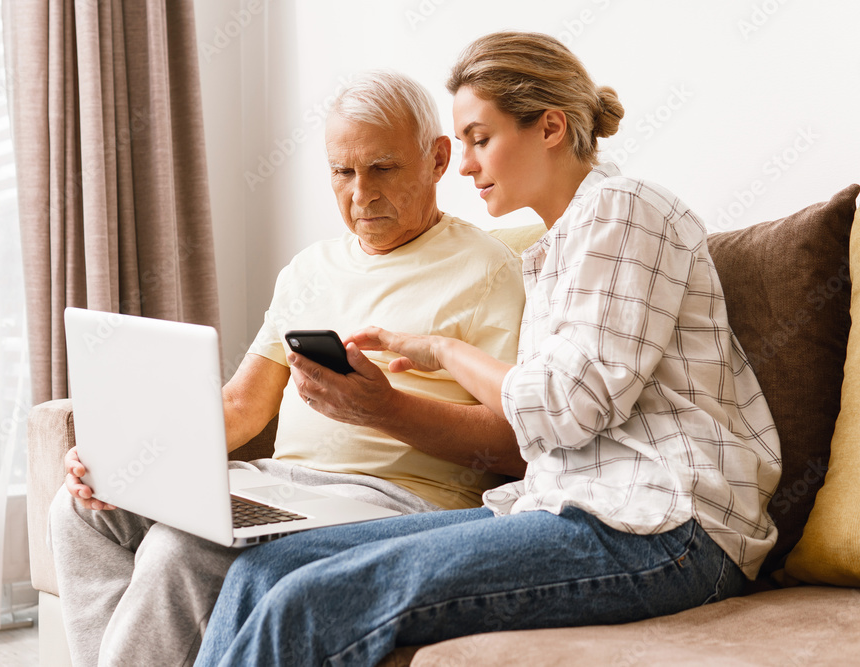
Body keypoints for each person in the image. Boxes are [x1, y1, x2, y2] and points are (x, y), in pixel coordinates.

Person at [193, 32, 782, 667]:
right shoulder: (555, 250)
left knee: (307, 601)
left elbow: (567, 408)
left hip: (671, 530)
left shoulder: (627, 210)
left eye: (480, 138)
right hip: (568, 508)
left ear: (550, 127)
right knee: (266, 567)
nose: (466, 164)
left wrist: (444, 352)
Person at [47, 70, 527, 666]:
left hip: (398, 505)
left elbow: (515, 444)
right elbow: (241, 407)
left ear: (435, 159)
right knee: (83, 512)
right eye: (342, 172)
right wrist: (122, 458)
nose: (361, 194)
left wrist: (386, 410)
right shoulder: (310, 268)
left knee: (182, 549)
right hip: (284, 487)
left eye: (383, 168)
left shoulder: (489, 270)